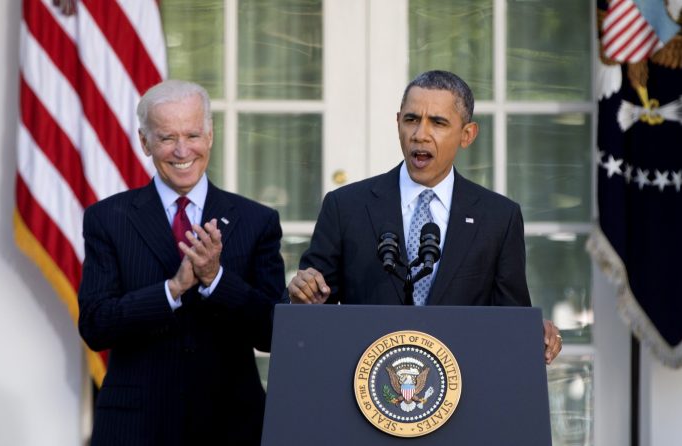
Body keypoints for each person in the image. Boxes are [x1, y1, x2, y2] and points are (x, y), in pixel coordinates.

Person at [287, 70, 562, 364]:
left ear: (467, 134)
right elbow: (310, 309)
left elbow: (510, 320)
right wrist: (301, 296)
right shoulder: (345, 206)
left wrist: (531, 331)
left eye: (438, 123)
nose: (420, 134)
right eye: (411, 119)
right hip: (365, 385)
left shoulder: (498, 217)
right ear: (398, 123)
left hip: (462, 393)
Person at [78, 80, 285, 445]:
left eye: (192, 135)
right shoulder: (108, 219)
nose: (182, 150)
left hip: (231, 425)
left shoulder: (257, 221)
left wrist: (215, 279)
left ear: (210, 136)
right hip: (135, 427)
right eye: (167, 138)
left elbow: (272, 332)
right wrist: (172, 290)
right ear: (145, 143)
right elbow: (96, 326)